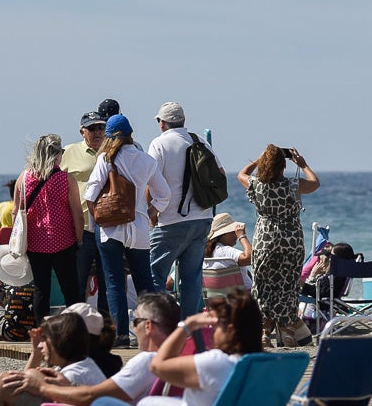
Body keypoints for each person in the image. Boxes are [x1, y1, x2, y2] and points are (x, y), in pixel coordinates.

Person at [0, 292, 180, 406]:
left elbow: (92, 396)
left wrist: (42, 386)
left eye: (135, 321)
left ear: (148, 326)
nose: (133, 328)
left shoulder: (146, 361)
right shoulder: (173, 363)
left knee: (2, 383)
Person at [86, 115, 170, 348]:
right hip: (140, 228)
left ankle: (120, 336)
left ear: (110, 136)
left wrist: (99, 219)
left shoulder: (106, 158)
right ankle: (152, 333)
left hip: (110, 230)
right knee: (145, 282)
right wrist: (151, 213)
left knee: (114, 283)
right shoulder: (146, 160)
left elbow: (90, 194)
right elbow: (164, 195)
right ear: (131, 134)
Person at [237, 144, 318, 347]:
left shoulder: (257, 185)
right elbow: (315, 183)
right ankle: (287, 331)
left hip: (265, 239)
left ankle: (264, 332)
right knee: (288, 286)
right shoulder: (292, 185)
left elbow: (241, 174)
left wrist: (258, 159)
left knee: (263, 285)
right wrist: (303, 164)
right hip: (291, 241)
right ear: (284, 165)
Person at [147, 103, 223, 319]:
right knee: (191, 278)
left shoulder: (159, 144)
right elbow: (220, 172)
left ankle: (161, 323)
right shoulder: (199, 141)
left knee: (155, 276)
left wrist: (152, 213)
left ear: (162, 124)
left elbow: (150, 180)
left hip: (170, 220)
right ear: (182, 121)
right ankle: (188, 327)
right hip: (202, 218)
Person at [144, 289, 265, 406]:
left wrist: (187, 325)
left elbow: (157, 366)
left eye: (215, 326)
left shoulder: (217, 363)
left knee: (145, 403)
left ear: (230, 331)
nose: (212, 332)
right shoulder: (265, 364)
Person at [15, 133, 84, 325]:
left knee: (41, 289)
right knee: (70, 289)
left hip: (35, 242)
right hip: (63, 240)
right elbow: (77, 214)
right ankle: (75, 329)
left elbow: (16, 212)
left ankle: (42, 332)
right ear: (56, 154)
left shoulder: (24, 177)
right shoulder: (65, 179)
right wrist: (79, 239)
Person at [62, 111, 111, 317]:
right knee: (78, 282)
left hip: (108, 225)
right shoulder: (68, 152)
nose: (98, 132)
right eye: (92, 128)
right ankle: (75, 327)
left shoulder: (113, 151)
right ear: (82, 132)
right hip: (80, 228)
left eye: (101, 127)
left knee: (108, 281)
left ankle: (107, 329)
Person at [203, 213, 252, 289]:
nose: (236, 235)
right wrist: (242, 236)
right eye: (233, 232)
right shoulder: (225, 251)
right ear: (224, 235)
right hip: (243, 297)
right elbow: (250, 259)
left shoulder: (204, 251)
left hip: (215, 298)